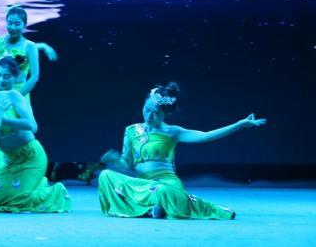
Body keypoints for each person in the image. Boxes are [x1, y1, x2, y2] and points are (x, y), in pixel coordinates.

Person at [98, 82, 266, 220]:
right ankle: (152, 208)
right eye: (147, 109)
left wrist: (239, 124)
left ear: (165, 114)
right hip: (142, 185)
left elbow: (206, 136)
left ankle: (151, 207)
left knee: (161, 190)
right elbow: (126, 165)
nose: (149, 116)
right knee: (106, 176)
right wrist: (115, 160)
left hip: (165, 183)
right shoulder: (131, 131)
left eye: (155, 113)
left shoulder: (172, 132)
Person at [0, 61, 71, 213]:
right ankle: (37, 186)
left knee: (17, 201)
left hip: (31, 156)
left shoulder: (12, 96)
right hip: (10, 161)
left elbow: (32, 126)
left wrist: (1, 118)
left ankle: (55, 193)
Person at [0, 5, 40, 100]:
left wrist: (17, 98)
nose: (13, 27)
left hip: (20, 92)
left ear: (24, 24)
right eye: (10, 23)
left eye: (17, 24)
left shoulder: (30, 46)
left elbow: (34, 77)